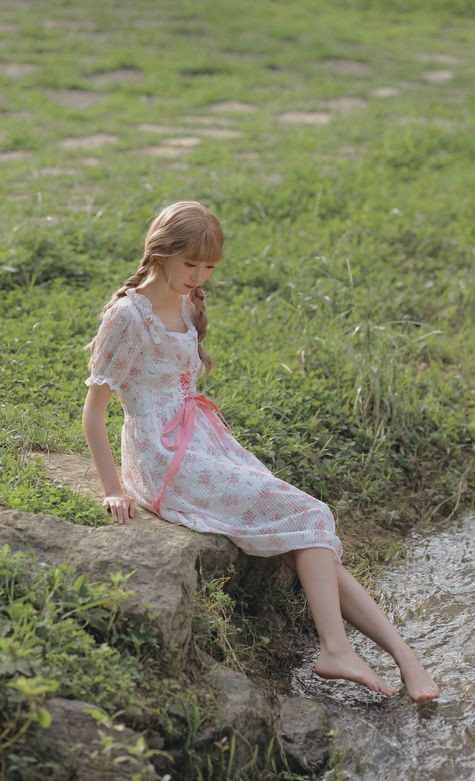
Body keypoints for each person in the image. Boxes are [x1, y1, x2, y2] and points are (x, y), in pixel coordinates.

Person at [82, 200, 439, 703]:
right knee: (310, 514)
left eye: (208, 266)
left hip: (201, 440)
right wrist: (113, 490)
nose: (199, 276)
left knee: (306, 533)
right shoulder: (127, 316)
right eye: (190, 263)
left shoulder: (187, 302)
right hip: (161, 457)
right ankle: (337, 648)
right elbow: (93, 412)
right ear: (159, 253)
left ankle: (403, 657)